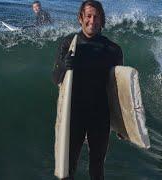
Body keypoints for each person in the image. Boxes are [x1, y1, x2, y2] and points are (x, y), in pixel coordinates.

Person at [52, 0, 123, 179]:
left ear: (102, 20)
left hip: (100, 115)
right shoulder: (69, 44)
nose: (93, 20)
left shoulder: (113, 49)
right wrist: (63, 65)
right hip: (74, 113)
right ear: (80, 18)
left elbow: (118, 91)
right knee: (68, 165)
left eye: (97, 16)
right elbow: (55, 78)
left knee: (97, 165)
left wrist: (123, 124)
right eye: (89, 16)